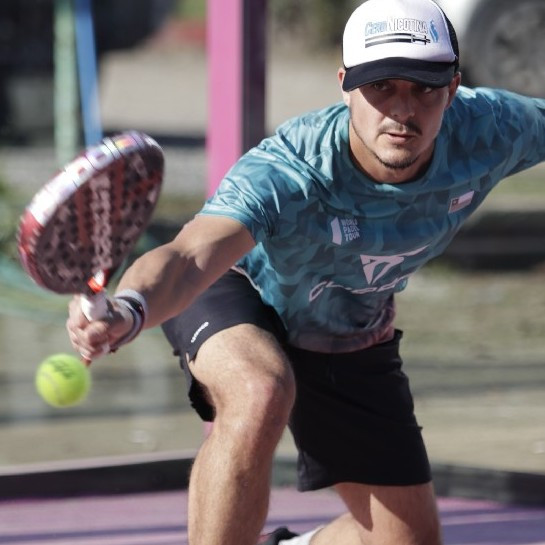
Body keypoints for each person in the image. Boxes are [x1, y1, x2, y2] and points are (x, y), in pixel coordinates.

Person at [66, 0, 545, 543]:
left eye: (424, 88)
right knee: (260, 389)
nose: (402, 110)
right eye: (380, 87)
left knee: (404, 540)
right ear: (346, 86)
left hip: (349, 326)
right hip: (239, 289)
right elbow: (190, 257)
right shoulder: (293, 168)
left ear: (453, 89)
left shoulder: (494, 129)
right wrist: (131, 308)